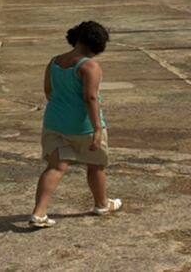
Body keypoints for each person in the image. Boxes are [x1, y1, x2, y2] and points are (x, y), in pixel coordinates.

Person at [30, 20, 122, 227]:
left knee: (55, 167)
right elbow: (91, 98)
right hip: (83, 126)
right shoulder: (89, 66)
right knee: (96, 165)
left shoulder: (54, 62)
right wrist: (97, 128)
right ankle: (101, 204)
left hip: (55, 123)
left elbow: (48, 91)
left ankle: (39, 212)